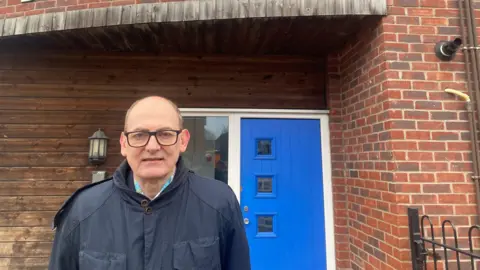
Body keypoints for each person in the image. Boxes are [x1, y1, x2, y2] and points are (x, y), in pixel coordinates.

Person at [48, 96, 251, 270]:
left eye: (165, 134)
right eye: (139, 135)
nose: (152, 147)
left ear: (183, 140)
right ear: (123, 144)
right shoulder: (82, 210)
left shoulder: (219, 203)